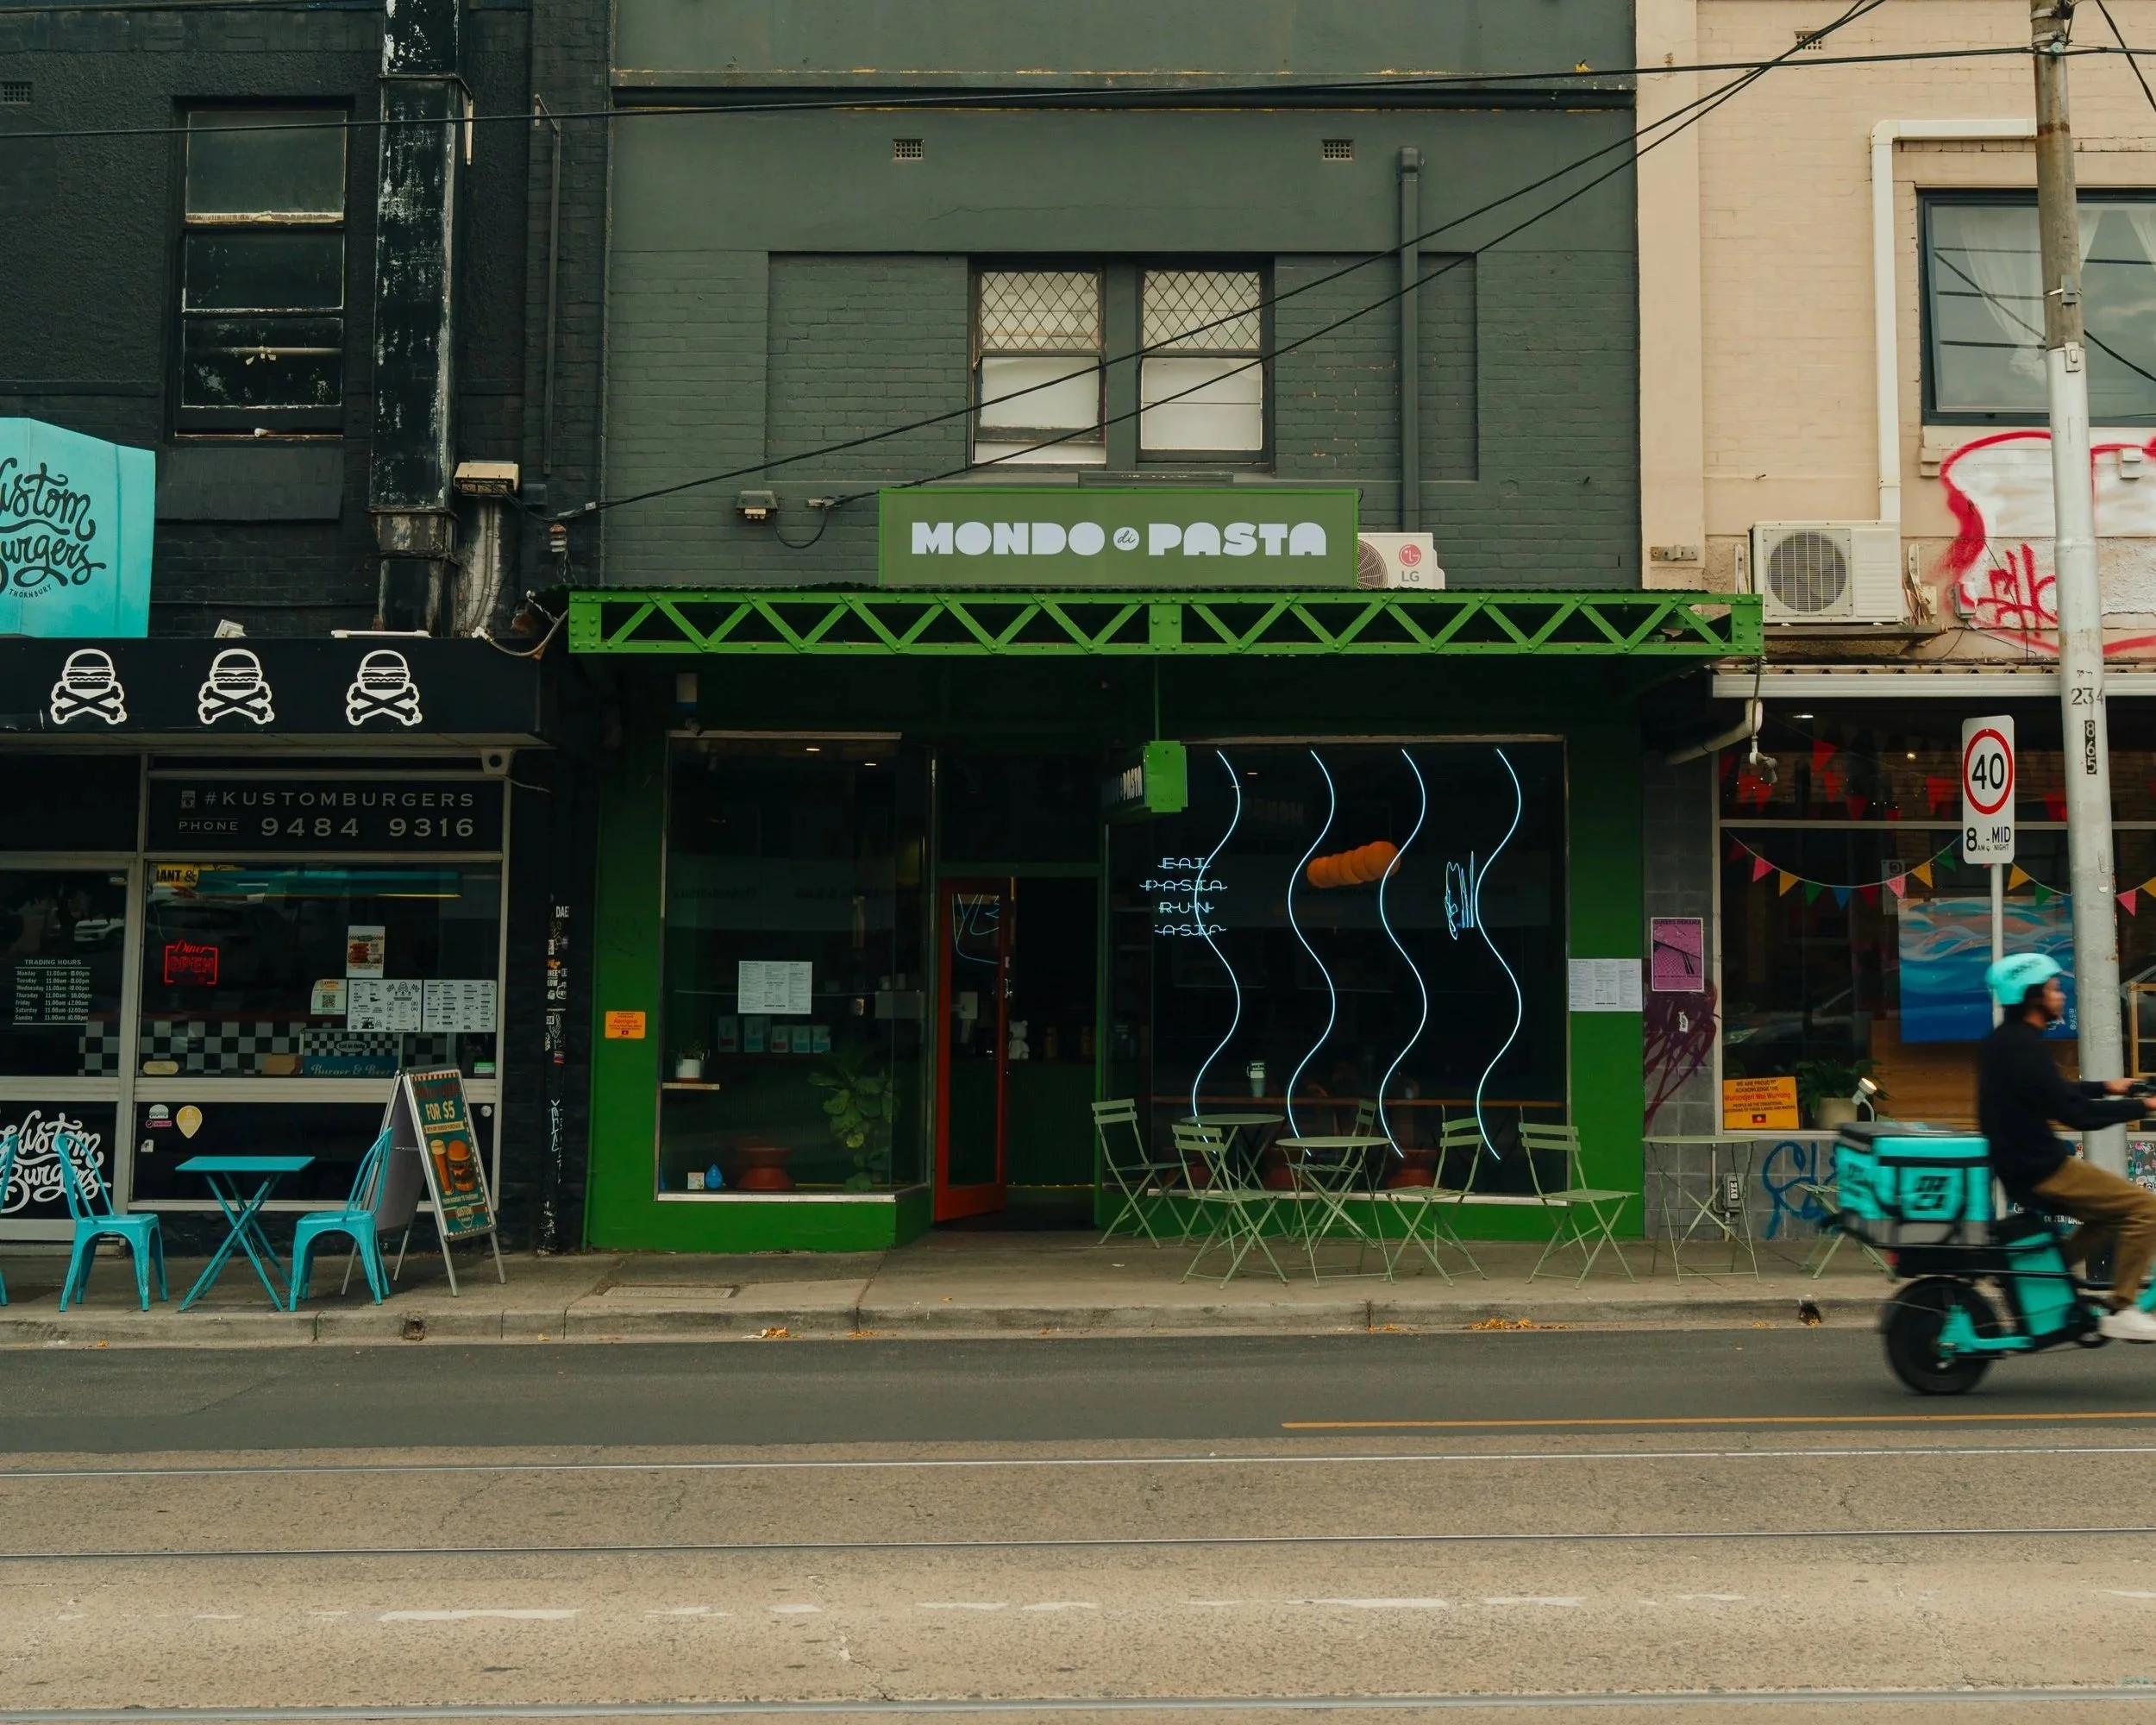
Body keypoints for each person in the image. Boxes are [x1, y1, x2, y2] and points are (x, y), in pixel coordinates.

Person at [1978, 952, 2156, 1341]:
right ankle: (2123, 1308)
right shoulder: (2026, 1048)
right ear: (2033, 997)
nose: (2061, 997)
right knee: (2144, 1208)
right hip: (2043, 1168)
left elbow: (2052, 1093)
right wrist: (2142, 1106)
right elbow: (2078, 1116)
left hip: (2022, 1166)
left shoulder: (2004, 1042)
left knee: (2107, 1217)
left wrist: (2106, 1087)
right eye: (2054, 989)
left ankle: (2039, 1277)